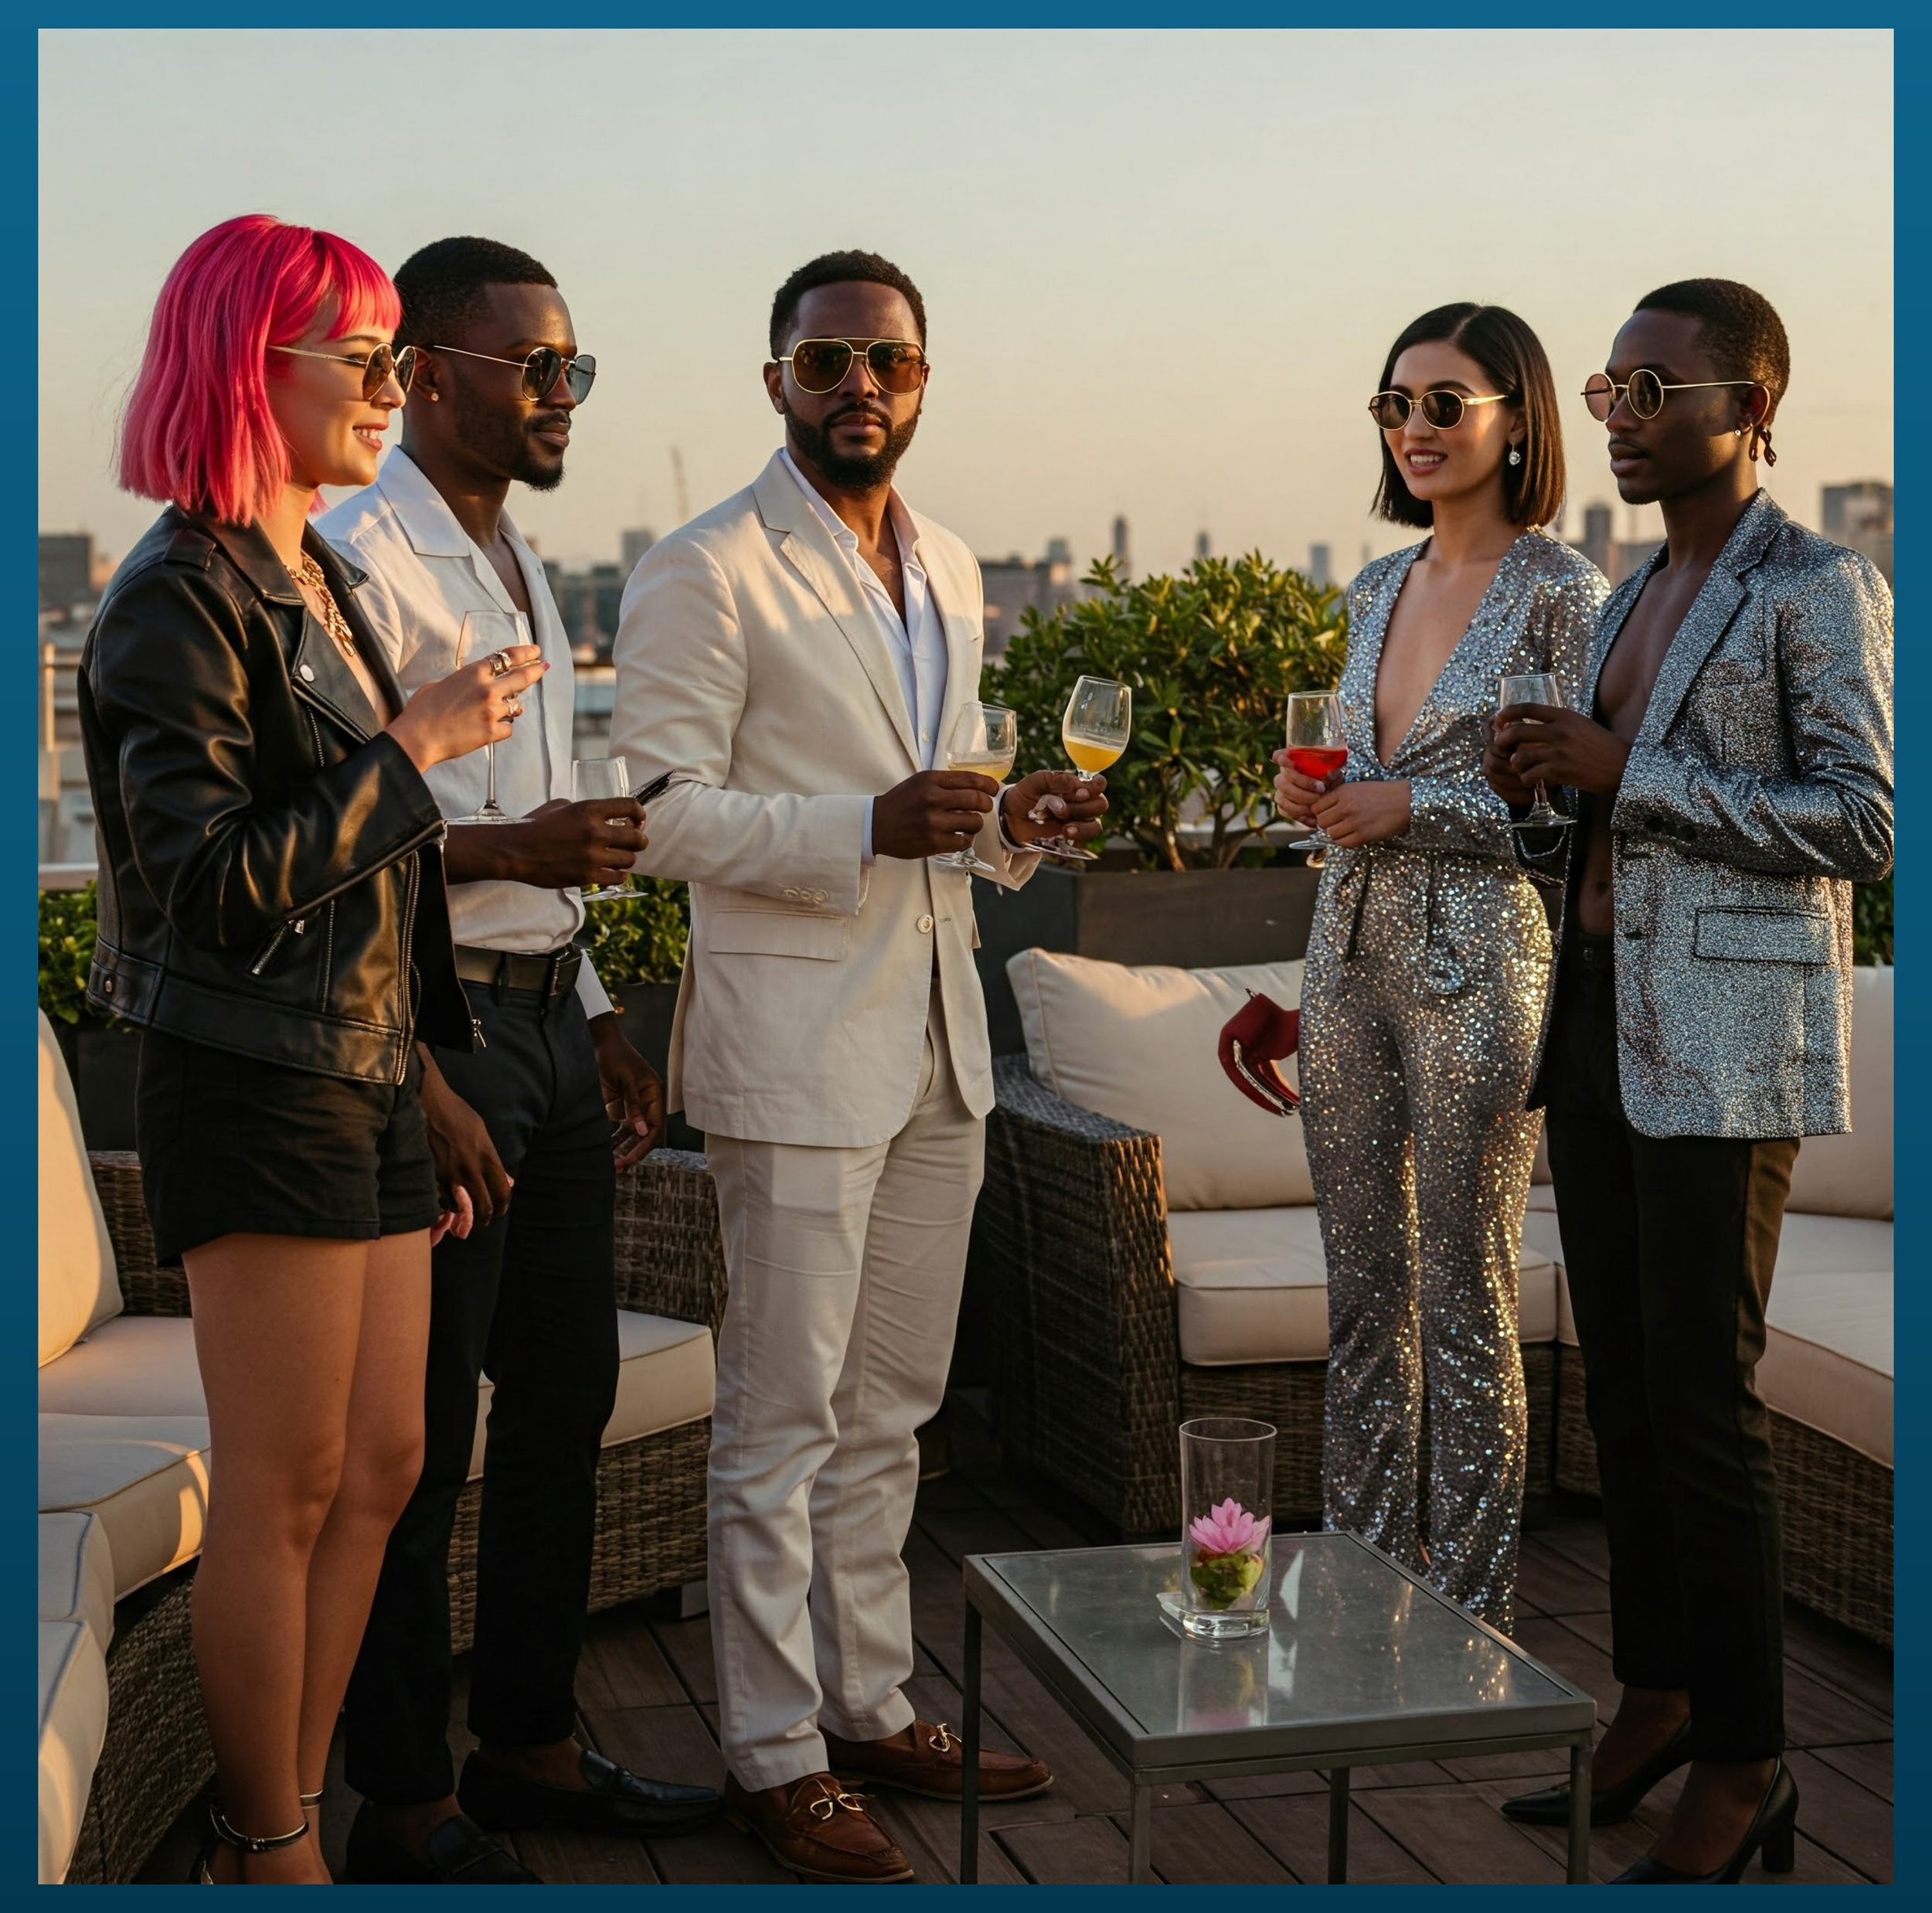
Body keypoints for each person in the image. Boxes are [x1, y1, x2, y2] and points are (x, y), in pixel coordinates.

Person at [609, 250, 1107, 1884]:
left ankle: (869, 1700)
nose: (856, 389)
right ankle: (768, 1749)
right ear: (775, 383)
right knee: (779, 1416)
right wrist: (859, 825)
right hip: (792, 1045)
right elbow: (658, 816)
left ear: (920, 377)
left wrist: (1011, 823)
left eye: (884, 361)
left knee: (891, 1408)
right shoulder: (704, 567)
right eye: (823, 362)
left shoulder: (951, 564)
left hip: (940, 1041)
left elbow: (943, 803)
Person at [79, 213, 544, 1884]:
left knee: (390, 1461)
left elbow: (366, 888)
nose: (386, 378)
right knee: (281, 1488)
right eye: (355, 353)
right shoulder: (173, 597)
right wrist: (414, 748)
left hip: (361, 1079)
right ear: (243, 365)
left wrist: (426, 1065)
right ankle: (275, 1848)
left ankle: (263, 1815)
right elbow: (209, 886)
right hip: (254, 1082)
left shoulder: (321, 573)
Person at [318, 236, 721, 1885]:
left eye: (576, 369)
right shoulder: (357, 554)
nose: (564, 395)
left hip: (552, 1027)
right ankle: (404, 1799)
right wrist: (524, 853)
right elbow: (343, 838)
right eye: (535, 366)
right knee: (414, 1436)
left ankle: (533, 1743)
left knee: (565, 1396)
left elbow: (555, 837)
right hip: (441, 1039)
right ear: (425, 374)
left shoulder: (522, 564)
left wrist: (608, 1001)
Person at [1485, 279, 1892, 1882]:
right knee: (1631, 1396)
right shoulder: (1620, 597)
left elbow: (1862, 822)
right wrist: (1542, 790)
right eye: (1610, 388)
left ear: (1753, 403)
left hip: (1727, 1045)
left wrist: (1625, 773)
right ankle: (1653, 1693)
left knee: (1706, 1409)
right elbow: (1599, 826)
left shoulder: (1815, 583)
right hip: (1590, 1016)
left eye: (1655, 388)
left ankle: (1749, 1766)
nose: (1623, 416)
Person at [1272, 302, 1607, 1632]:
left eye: (1443, 402)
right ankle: (1363, 1593)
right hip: (1342, 960)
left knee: (1466, 1300)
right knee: (1358, 1297)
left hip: (1482, 972)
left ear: (1516, 418)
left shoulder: (1561, 592)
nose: (1414, 427)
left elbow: (1576, 813)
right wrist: (1334, 800)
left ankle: (1465, 1620)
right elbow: (1364, 772)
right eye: (1394, 405)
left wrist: (1421, 810)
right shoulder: (1373, 586)